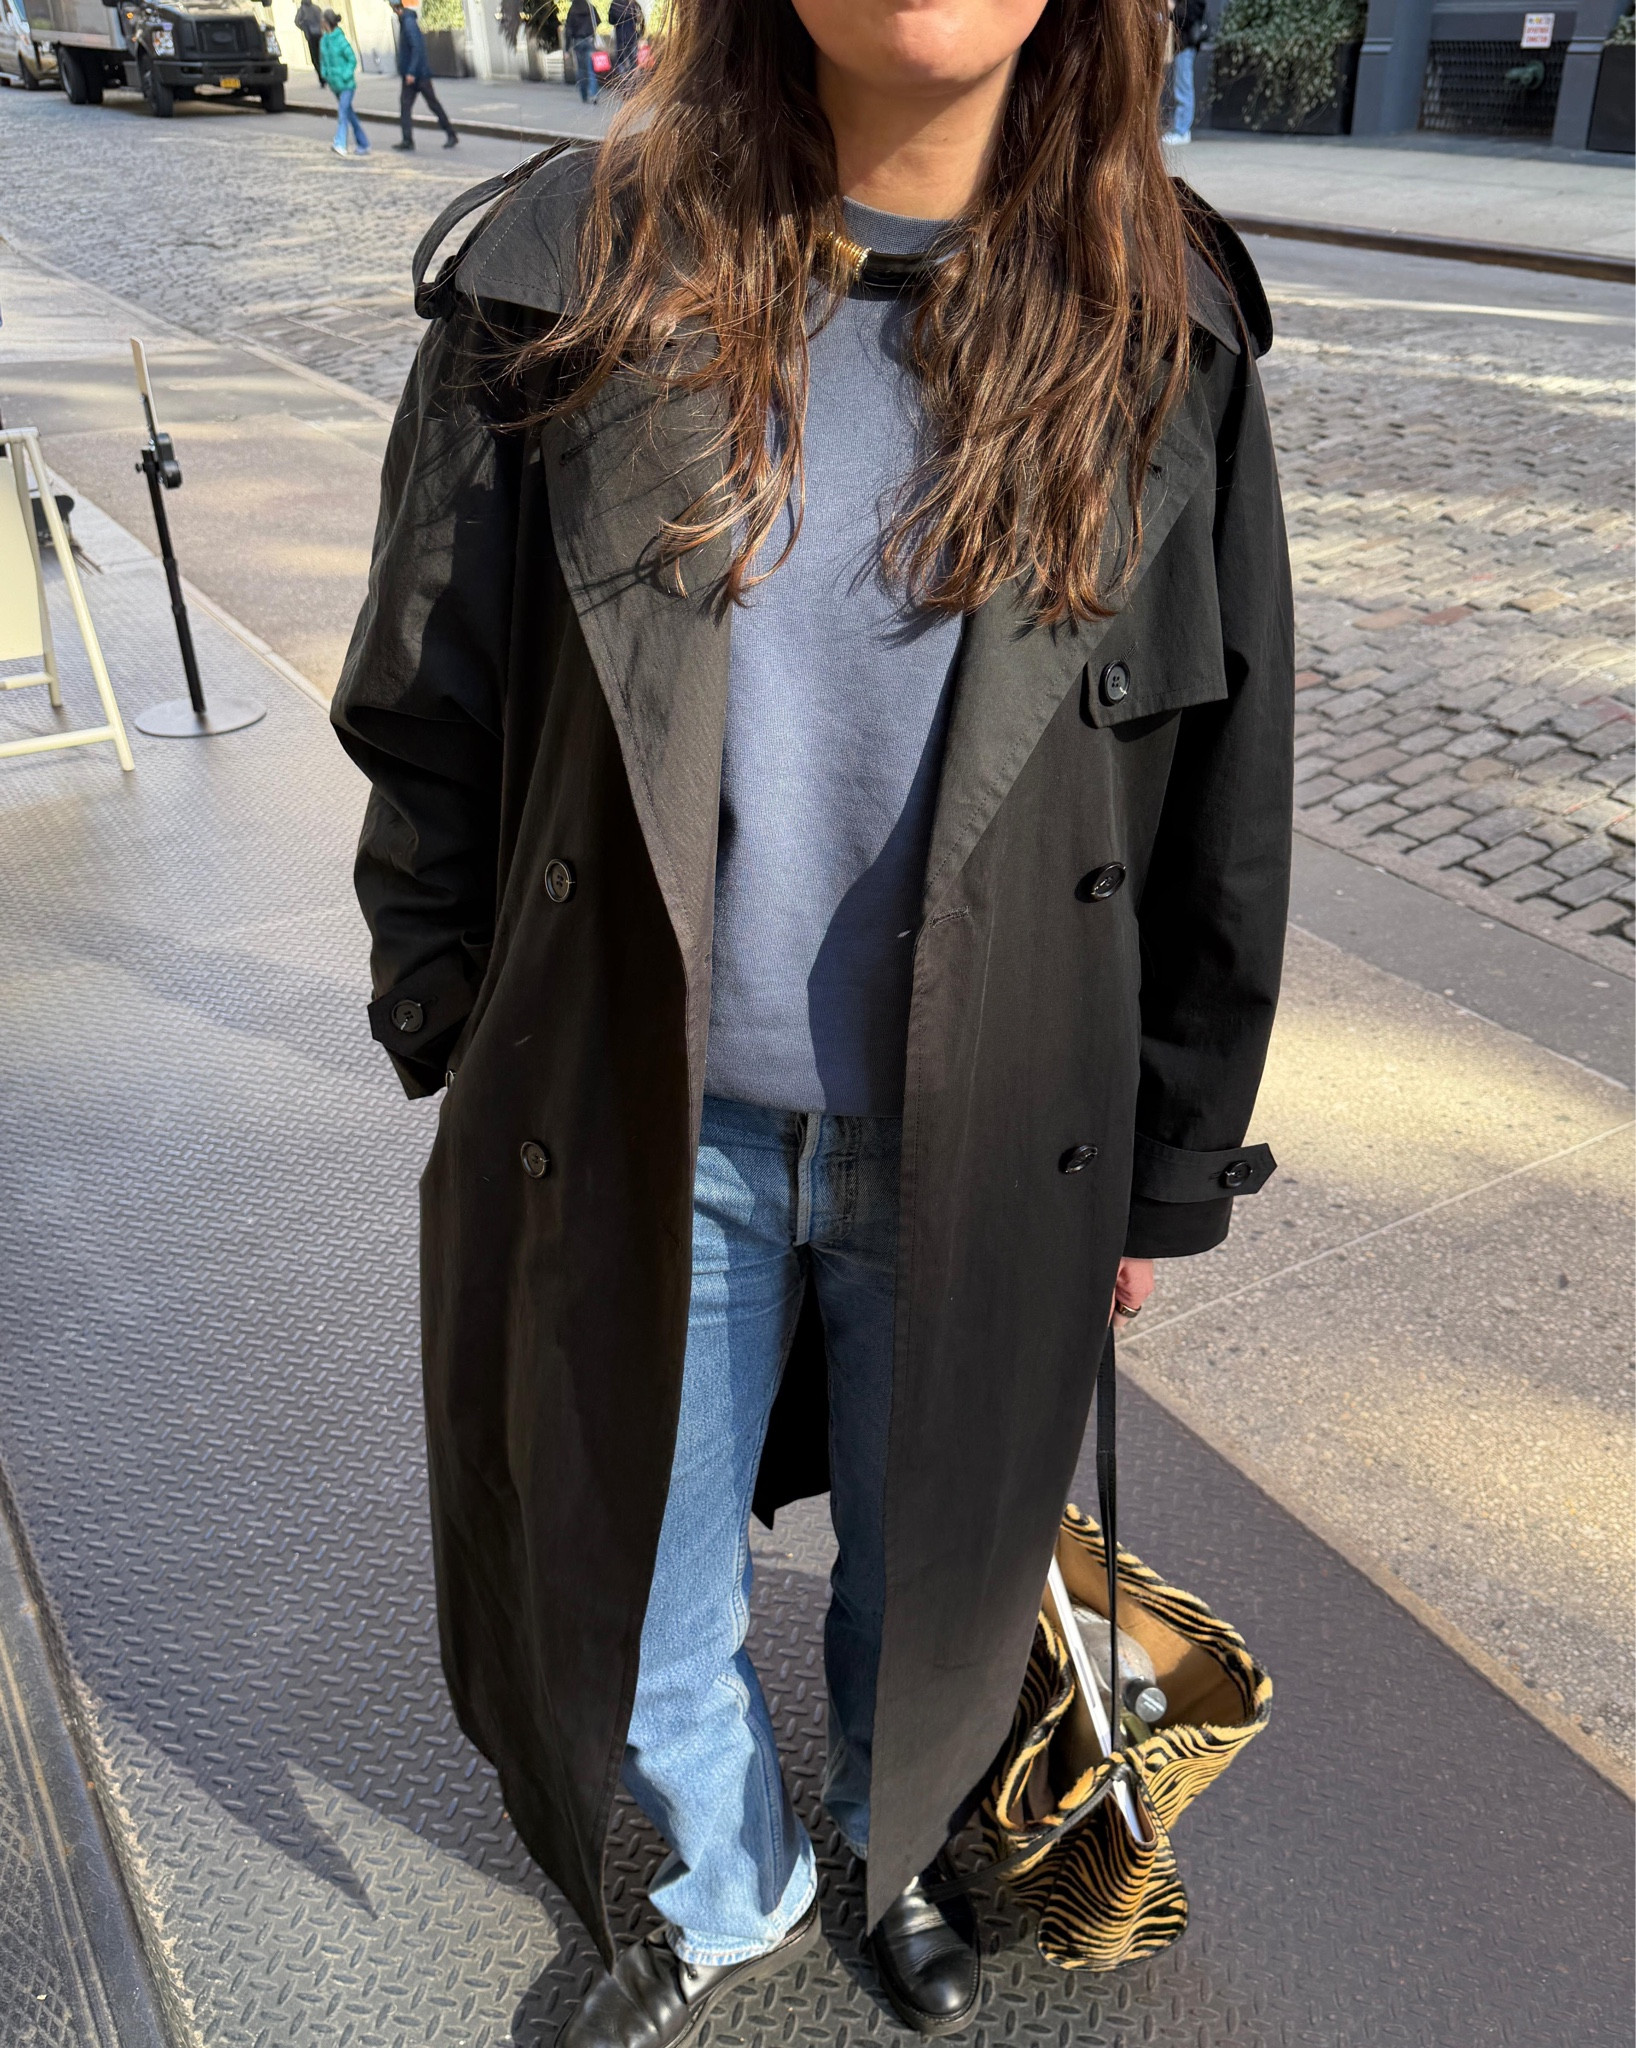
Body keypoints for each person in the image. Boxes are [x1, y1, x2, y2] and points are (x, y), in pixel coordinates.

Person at [332, 0, 1292, 2041]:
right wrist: (449, 1019)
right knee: (632, 1548)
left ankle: (889, 1837)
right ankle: (724, 1867)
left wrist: (1165, 1158)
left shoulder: (1164, 319)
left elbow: (1223, 785)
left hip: (987, 1125)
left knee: (929, 1560)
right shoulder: (560, 267)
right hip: (629, 1112)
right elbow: (429, 683)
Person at [388, 0, 457, 151]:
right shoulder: (405, 21)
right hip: (412, 75)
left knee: (433, 105)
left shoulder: (408, 22)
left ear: (396, 8)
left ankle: (451, 134)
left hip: (418, 76)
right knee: (406, 106)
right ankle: (407, 140)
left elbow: (417, 48)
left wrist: (411, 71)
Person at [318, 9, 369, 156]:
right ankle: (364, 143)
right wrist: (325, 74)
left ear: (327, 22)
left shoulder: (340, 40)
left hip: (346, 85)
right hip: (335, 85)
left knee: (342, 113)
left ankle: (340, 143)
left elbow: (351, 59)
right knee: (350, 115)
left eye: (322, 20)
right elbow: (322, 60)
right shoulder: (324, 41)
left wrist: (345, 75)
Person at [1164, 0, 1209, 143]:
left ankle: (1182, 130)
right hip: (1180, 44)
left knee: (1183, 86)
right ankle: (1180, 128)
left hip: (1186, 44)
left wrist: (1172, 7)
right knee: (1181, 85)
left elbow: (1190, 16)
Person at [563, 0, 599, 99]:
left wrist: (567, 49)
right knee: (591, 69)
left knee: (581, 69)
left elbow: (569, 30)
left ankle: (584, 94)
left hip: (578, 42)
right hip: (590, 40)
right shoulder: (590, 7)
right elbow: (598, 21)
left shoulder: (573, 9)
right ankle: (594, 94)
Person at [608, 0, 642, 80]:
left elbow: (611, 20)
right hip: (632, 36)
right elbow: (639, 19)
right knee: (633, 60)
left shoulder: (615, 4)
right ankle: (634, 83)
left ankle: (623, 81)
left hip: (620, 36)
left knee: (621, 60)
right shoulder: (632, 3)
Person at [294, 0, 324, 75]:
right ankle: (325, 74)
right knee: (322, 56)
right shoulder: (317, 8)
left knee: (315, 58)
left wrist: (304, 28)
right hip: (320, 34)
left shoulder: (301, 10)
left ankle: (321, 77)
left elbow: (297, 21)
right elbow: (323, 19)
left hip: (311, 36)